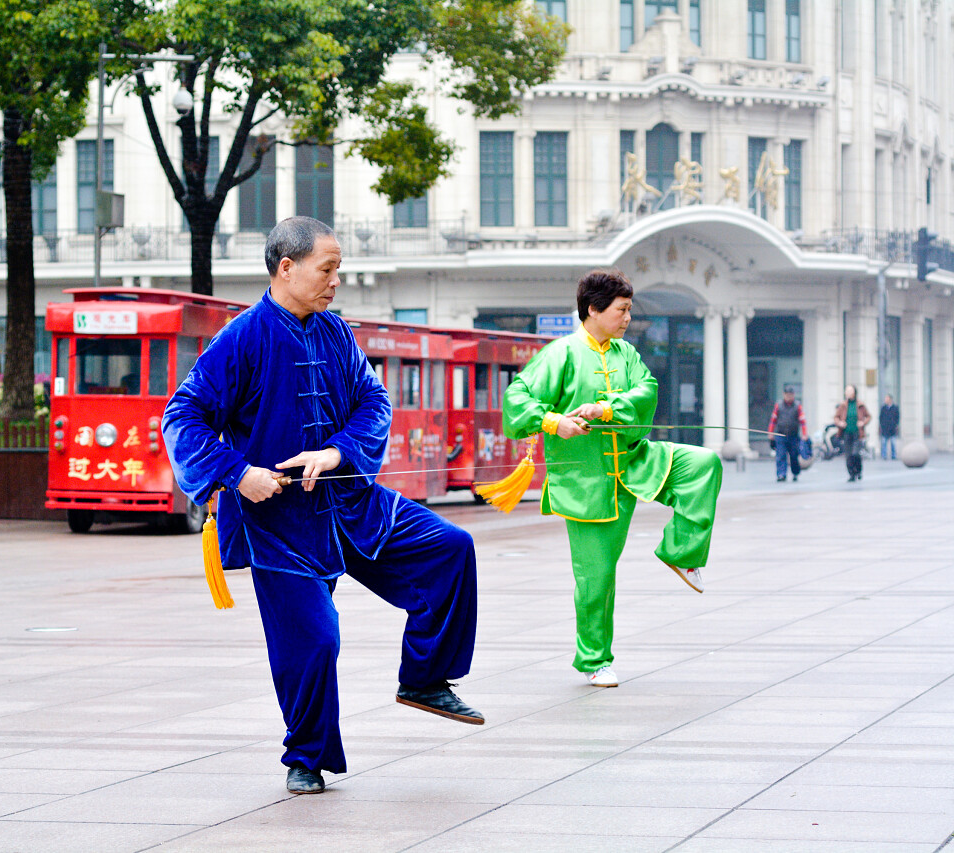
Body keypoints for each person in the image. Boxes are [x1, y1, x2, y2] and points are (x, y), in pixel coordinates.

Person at [161, 217, 482, 796]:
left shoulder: (336, 334)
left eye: (339, 271)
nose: (337, 281)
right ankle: (305, 757)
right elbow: (181, 418)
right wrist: (239, 475)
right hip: (277, 524)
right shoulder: (241, 338)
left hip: (352, 505)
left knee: (451, 550)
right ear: (287, 267)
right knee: (315, 638)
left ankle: (426, 679)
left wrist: (338, 451)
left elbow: (373, 401)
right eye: (328, 270)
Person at [502, 269, 722, 689]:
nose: (627, 319)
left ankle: (681, 551)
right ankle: (594, 660)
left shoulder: (626, 354)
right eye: (622, 310)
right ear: (593, 309)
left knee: (703, 465)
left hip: (637, 462)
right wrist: (553, 421)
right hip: (587, 485)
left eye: (628, 310)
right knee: (596, 579)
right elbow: (517, 399)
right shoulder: (560, 354)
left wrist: (608, 409)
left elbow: (647, 389)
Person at [767, 385, 808, 482]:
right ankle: (781, 474)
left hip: (793, 436)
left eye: (791, 395)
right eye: (787, 395)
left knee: (794, 455)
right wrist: (770, 433)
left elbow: (802, 421)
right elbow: (773, 420)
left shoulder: (798, 406)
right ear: (784, 394)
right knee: (780, 455)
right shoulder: (779, 405)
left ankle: (795, 472)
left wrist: (804, 434)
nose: (789, 397)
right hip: (781, 435)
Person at [834, 384, 872, 482]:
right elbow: (836, 417)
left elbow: (868, 416)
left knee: (856, 453)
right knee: (848, 455)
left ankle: (858, 471)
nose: (847, 393)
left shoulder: (860, 405)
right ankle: (851, 474)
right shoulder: (843, 405)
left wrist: (862, 422)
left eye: (849, 391)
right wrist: (840, 423)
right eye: (846, 391)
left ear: (854, 392)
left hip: (858, 433)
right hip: (846, 433)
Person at [878, 394, 899, 460]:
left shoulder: (895, 408)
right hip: (885, 428)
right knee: (884, 442)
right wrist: (881, 425)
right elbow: (880, 417)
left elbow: (897, 417)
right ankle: (884, 455)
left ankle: (894, 455)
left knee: (893, 443)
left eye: (887, 399)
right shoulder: (883, 408)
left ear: (890, 399)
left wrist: (895, 424)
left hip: (892, 428)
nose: (885, 400)